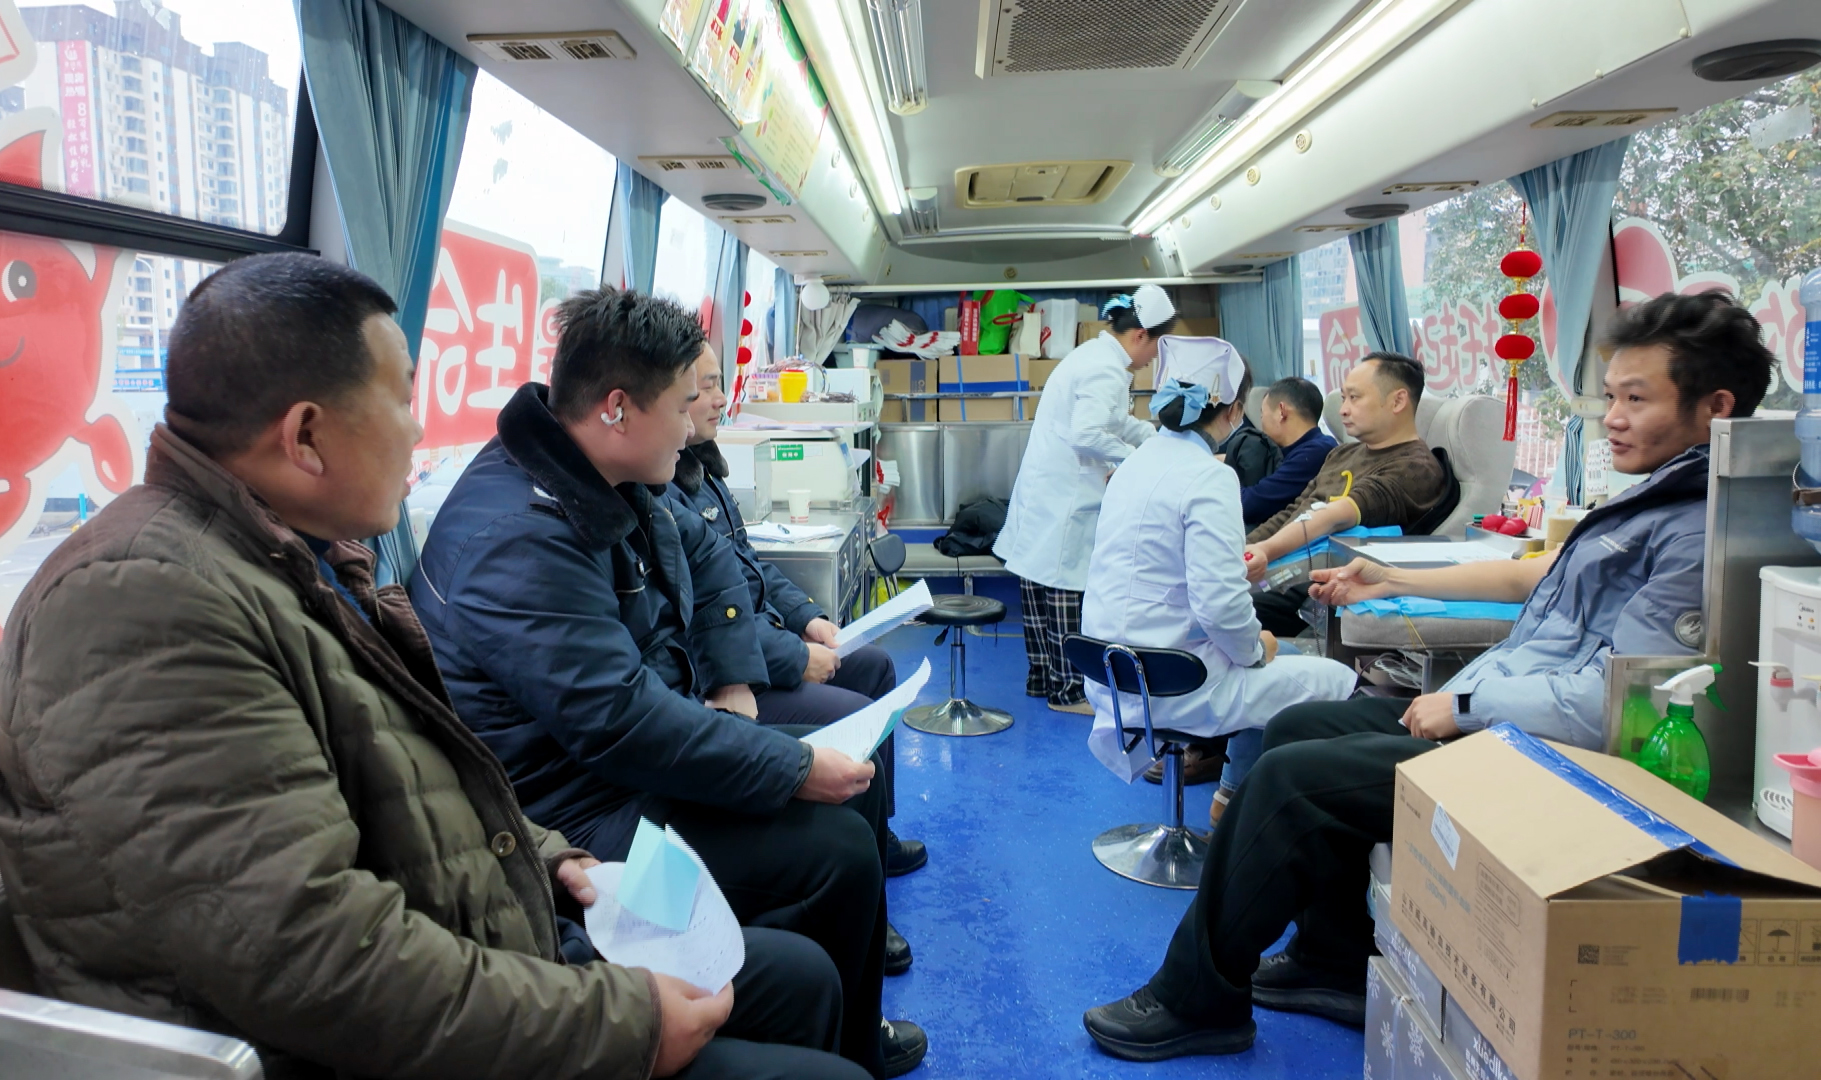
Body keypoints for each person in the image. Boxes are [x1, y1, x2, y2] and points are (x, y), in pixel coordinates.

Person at [0, 253, 866, 1080]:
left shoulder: (292, 562)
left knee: (796, 981)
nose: (418, 431)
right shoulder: (147, 606)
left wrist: (550, 860)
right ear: (307, 436)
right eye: (402, 401)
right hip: (333, 1042)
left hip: (469, 908)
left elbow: (416, 784)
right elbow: (311, 956)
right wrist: (620, 1022)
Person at [1081, 290, 1773, 1062]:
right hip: (1505, 720)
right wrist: (1388, 578)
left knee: (1291, 780)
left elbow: (1622, 706)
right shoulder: (1647, 498)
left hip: (1551, 758)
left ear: (1714, 408)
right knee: (1297, 727)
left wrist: (1467, 701)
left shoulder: (1695, 534)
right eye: (1608, 396)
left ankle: (1198, 1001)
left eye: (1634, 400)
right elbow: (1532, 575)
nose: (1610, 417)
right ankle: (1330, 960)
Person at [409, 287, 924, 1079]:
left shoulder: (608, 474)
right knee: (833, 847)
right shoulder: (517, 539)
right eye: (683, 404)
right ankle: (828, 1036)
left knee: (844, 808)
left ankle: (828, 1021)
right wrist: (789, 765)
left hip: (625, 763)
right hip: (574, 814)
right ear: (617, 408)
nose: (691, 426)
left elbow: (710, 558)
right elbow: (620, 722)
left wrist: (737, 684)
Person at [664, 346, 924, 966]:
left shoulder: (707, 472)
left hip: (759, 647)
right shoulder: (662, 495)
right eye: (703, 388)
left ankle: (879, 837)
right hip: (734, 677)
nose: (717, 399)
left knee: (875, 667)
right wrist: (792, 657)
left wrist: (809, 617)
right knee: (852, 718)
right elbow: (705, 622)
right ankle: (865, 900)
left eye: (719, 384)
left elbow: (751, 570)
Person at [1082, 337, 1358, 800]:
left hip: (1108, 667)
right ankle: (1243, 808)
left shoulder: (1134, 464)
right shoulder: (1210, 477)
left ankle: (1228, 800)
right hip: (1172, 678)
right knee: (1337, 680)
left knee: (1279, 661)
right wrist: (1256, 648)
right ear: (1234, 410)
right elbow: (1219, 607)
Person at [995, 285, 1178, 713]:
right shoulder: (1105, 370)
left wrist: (1157, 439)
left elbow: (1116, 422)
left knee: (1038, 584)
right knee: (1064, 590)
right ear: (1140, 335)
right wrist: (1136, 458)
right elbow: (1088, 434)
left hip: (1048, 492)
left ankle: (1042, 678)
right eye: (1156, 345)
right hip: (1065, 497)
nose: (1154, 356)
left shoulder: (1092, 357)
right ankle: (1068, 692)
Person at [1242, 353, 1448, 638]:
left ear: (1398, 401)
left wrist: (1265, 550)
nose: (1343, 410)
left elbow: (1334, 516)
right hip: (1286, 569)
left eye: (1354, 398)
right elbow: (1295, 512)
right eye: (1343, 398)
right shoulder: (1341, 454)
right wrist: (1245, 549)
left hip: (1320, 588)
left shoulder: (1415, 467)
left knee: (1225, 607)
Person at [1241, 377, 1337, 530]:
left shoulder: (1316, 452)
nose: (1261, 421)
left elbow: (1250, 505)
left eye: (1262, 413)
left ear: (1281, 412)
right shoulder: (1299, 449)